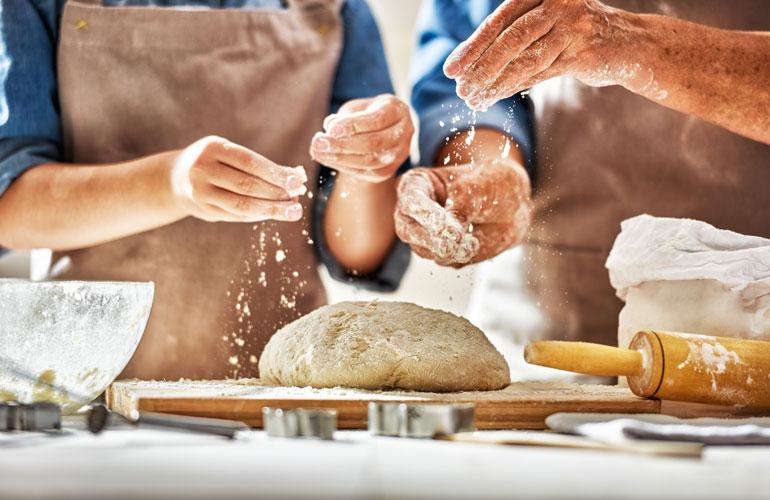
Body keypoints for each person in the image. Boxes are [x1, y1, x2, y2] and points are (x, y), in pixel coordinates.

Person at [0, 0, 413, 379]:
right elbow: (11, 209)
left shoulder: (339, 9)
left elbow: (361, 255)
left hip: (279, 400)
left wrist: (368, 166)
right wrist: (171, 183)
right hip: (92, 391)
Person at [399, 0, 770, 349]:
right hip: (544, 325)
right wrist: (493, 167)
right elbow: (472, 52)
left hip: (750, 318)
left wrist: (626, 41)